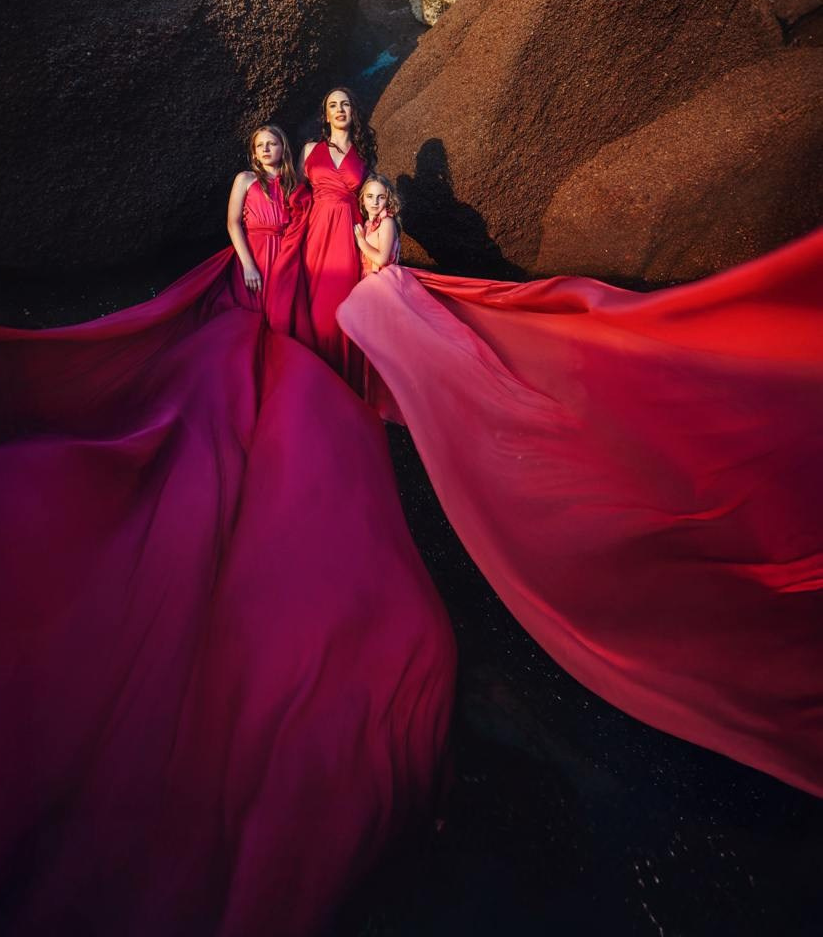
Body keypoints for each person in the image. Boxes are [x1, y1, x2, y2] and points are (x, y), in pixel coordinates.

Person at [0, 121, 456, 937]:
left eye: (276, 146)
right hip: (252, 287)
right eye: (264, 146)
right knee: (207, 421)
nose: (269, 154)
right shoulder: (248, 187)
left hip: (300, 281)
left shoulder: (306, 182)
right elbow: (237, 229)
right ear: (255, 150)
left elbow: (324, 219)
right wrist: (251, 260)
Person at [337, 225, 823, 799]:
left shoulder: (381, 259)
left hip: (425, 345)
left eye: (376, 202)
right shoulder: (374, 283)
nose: (371, 210)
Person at [297, 87, 377, 387]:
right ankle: (310, 375)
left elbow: (372, 200)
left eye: (345, 104)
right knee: (314, 304)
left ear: (352, 111)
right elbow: (294, 194)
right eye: (333, 104)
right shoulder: (308, 150)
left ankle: (341, 381)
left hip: (348, 232)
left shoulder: (363, 155)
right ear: (326, 114)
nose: (340, 109)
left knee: (340, 304)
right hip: (316, 230)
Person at [226, 124, 296, 304]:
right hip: (254, 253)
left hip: (285, 253)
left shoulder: (293, 183)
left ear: (283, 148)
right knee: (254, 305)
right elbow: (233, 223)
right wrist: (248, 265)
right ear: (255, 153)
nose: (265, 149)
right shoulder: (245, 179)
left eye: (271, 144)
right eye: (259, 145)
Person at [354, 174, 402, 276]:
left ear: (388, 200)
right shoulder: (367, 224)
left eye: (381, 197)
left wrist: (361, 241)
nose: (375, 202)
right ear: (362, 199)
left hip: (382, 279)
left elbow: (382, 260)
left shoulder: (386, 222)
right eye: (370, 196)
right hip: (367, 279)